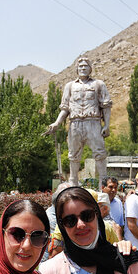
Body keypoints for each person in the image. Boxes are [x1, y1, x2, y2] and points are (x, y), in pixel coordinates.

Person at [47, 57, 112, 186]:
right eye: (80, 66)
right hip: (75, 124)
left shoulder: (98, 84)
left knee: (100, 153)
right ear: (76, 69)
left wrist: (107, 125)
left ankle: (103, 183)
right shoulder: (70, 86)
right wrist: (57, 123)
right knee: (73, 155)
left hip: (93, 122)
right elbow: (65, 108)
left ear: (90, 69)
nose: (83, 69)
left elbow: (106, 105)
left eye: (85, 66)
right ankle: (73, 184)